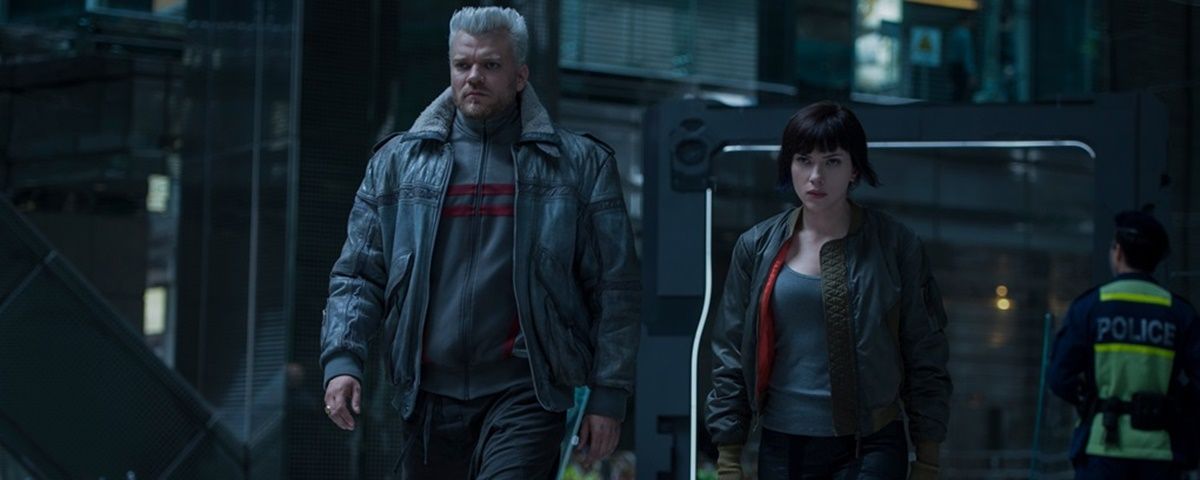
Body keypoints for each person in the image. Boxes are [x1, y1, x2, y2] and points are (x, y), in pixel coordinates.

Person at [318, 7, 641, 478]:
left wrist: (608, 394)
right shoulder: (398, 164)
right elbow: (358, 275)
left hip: (526, 392)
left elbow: (615, 290)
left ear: (520, 76)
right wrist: (343, 359)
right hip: (427, 398)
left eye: (490, 65)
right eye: (462, 64)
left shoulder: (579, 166)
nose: (473, 76)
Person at [705, 101, 952, 479]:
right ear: (789, 165)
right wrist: (728, 456)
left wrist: (928, 455)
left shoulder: (895, 245)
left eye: (832, 161)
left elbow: (925, 351)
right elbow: (732, 352)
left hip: (871, 444)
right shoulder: (757, 246)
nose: (815, 176)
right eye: (803, 160)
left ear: (855, 169)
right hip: (783, 444)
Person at [1048, 210, 1200, 479]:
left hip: (1103, 448)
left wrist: (1089, 400)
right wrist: (1175, 405)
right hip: (1160, 451)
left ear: (1118, 252)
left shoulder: (1091, 307)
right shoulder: (1180, 313)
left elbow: (1060, 377)